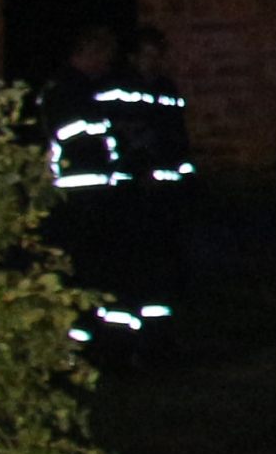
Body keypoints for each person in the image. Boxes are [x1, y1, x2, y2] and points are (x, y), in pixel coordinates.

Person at [35, 25, 142, 349]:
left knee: (94, 272)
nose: (106, 66)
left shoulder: (80, 92)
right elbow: (76, 145)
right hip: (77, 200)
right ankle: (78, 346)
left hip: (90, 197)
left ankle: (95, 343)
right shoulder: (67, 93)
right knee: (81, 273)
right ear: (88, 53)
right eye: (104, 57)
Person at [108, 25, 194, 335]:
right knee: (133, 262)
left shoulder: (167, 89)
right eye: (148, 55)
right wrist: (139, 171)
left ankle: (160, 336)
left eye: (159, 55)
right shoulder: (119, 89)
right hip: (132, 191)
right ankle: (124, 338)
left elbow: (177, 137)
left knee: (163, 265)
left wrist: (182, 176)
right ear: (133, 57)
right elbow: (123, 136)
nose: (155, 61)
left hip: (166, 194)